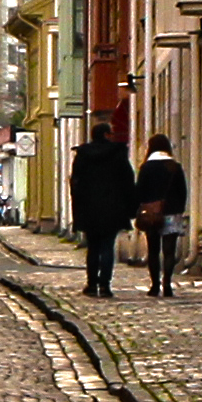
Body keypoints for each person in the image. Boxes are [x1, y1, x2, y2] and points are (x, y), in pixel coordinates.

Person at [68, 124, 136, 298]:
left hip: (89, 209)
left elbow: (75, 183)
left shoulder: (83, 155)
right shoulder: (117, 154)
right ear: (106, 134)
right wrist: (130, 207)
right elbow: (128, 181)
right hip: (113, 208)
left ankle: (91, 284)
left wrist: (78, 208)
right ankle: (105, 285)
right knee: (107, 247)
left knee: (93, 247)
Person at [134, 138, 191, 296]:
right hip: (171, 211)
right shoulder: (174, 166)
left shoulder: (146, 167)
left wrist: (140, 208)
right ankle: (167, 283)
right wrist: (179, 209)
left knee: (153, 250)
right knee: (169, 250)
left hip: (151, 213)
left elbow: (139, 191)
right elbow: (182, 191)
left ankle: (154, 285)